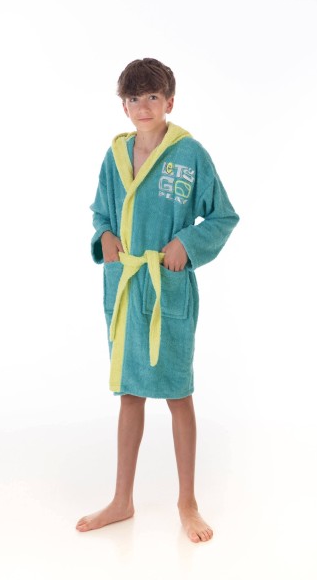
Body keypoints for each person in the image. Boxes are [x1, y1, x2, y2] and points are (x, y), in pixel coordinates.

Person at [76, 58, 240, 543]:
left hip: (167, 287)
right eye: (133, 98)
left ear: (170, 102)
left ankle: (188, 502)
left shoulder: (189, 155)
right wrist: (105, 236)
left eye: (152, 97)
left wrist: (186, 244)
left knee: (177, 393)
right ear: (123, 106)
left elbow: (223, 216)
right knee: (129, 392)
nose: (142, 106)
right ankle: (122, 499)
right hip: (127, 287)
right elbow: (101, 211)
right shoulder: (115, 155)